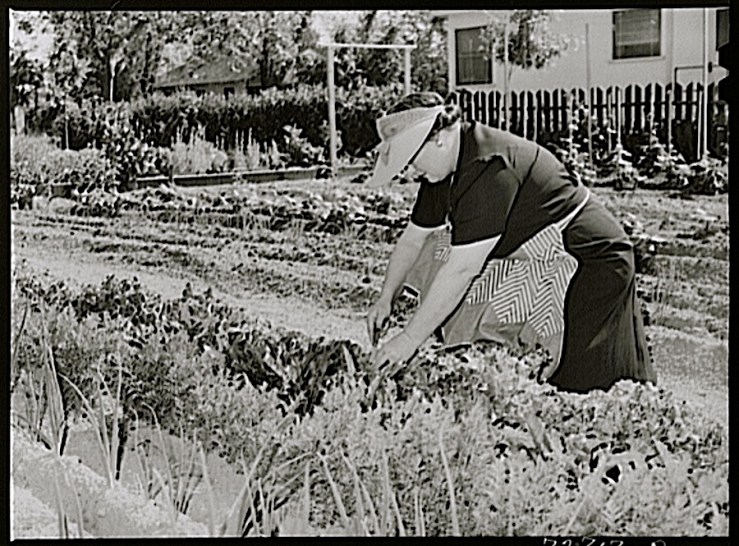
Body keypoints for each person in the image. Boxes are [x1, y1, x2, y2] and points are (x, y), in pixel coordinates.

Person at [365, 92, 656, 392]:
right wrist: (386, 297)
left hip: (589, 259)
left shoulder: (488, 167)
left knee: (579, 384)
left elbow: (462, 270)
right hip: (535, 252)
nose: (410, 171)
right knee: (435, 248)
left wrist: (409, 339)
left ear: (438, 137)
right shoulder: (443, 172)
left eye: (411, 158)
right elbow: (413, 240)